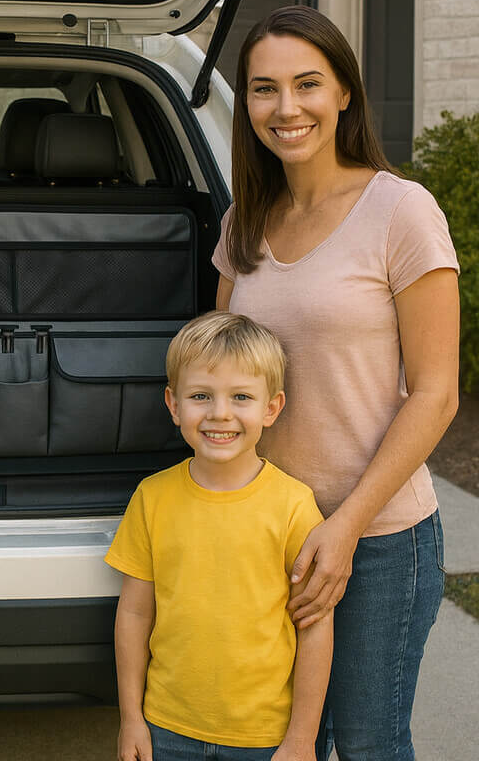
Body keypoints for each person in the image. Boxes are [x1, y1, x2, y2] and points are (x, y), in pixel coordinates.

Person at [213, 5, 459, 760]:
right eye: (264, 89)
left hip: (377, 539)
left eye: (307, 84)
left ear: (344, 92)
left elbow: (438, 393)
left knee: (366, 744)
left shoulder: (400, 211)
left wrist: (346, 526)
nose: (286, 108)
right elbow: (219, 368)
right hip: (268, 532)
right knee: (281, 743)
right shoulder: (245, 220)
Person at [107, 311, 331, 761]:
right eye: (200, 396)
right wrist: (131, 718)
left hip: (264, 737)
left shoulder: (294, 506)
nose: (220, 413)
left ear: (272, 408)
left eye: (241, 396)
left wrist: (302, 739)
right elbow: (134, 613)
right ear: (174, 404)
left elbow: (315, 626)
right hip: (167, 728)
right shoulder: (152, 498)